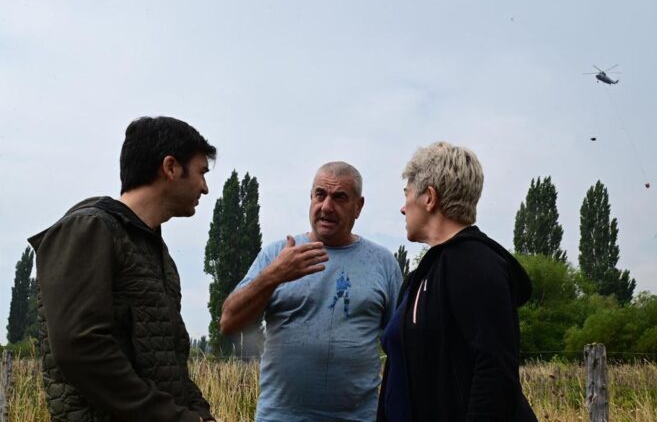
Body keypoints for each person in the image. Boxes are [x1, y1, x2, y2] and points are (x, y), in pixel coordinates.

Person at [28, 116, 217, 422]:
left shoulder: (155, 252)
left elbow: (167, 360)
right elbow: (80, 350)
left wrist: (199, 413)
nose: (205, 188)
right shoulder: (89, 229)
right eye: (200, 172)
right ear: (170, 167)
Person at [220, 161, 402, 422]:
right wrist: (274, 275)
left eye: (340, 198)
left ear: (358, 207)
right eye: (320, 195)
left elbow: (400, 345)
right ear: (311, 198)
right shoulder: (277, 255)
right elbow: (229, 322)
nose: (327, 206)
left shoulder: (383, 264)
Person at [378, 141, 538, 421]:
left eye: (407, 195)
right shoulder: (419, 277)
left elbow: (494, 373)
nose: (403, 208)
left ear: (429, 198)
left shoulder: (477, 265)